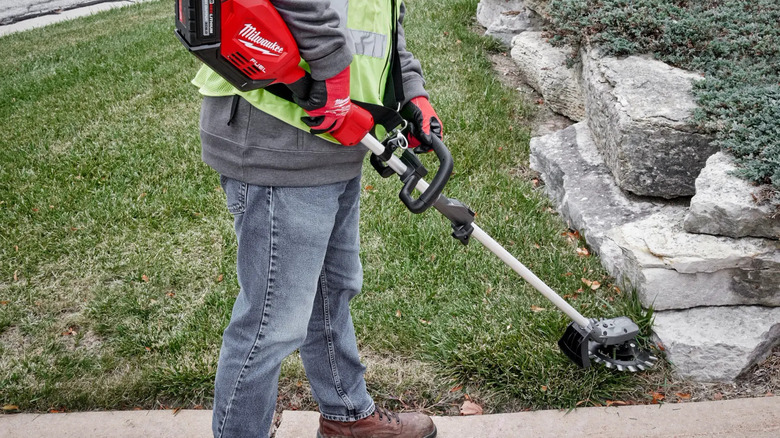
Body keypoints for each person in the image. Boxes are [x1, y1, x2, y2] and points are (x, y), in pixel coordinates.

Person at [191, 0, 443, 437]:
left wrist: (411, 90)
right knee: (271, 323)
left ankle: (348, 416)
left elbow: (381, 23)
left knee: (332, 289)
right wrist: (333, 74)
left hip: (339, 135)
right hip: (278, 132)